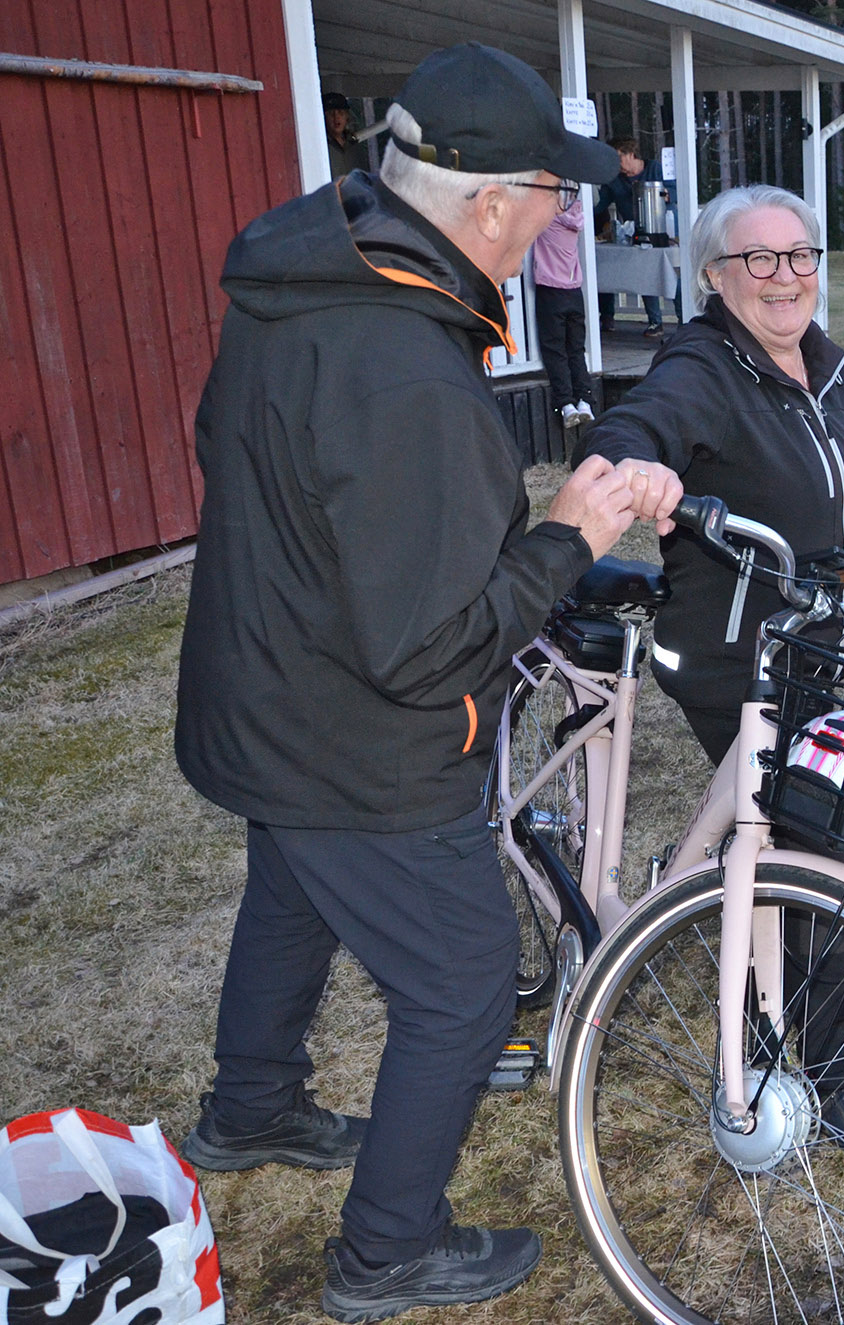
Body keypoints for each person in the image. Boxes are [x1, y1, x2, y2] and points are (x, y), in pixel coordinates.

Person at [174, 43, 677, 1323]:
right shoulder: (405, 365)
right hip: (360, 738)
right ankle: (387, 1250)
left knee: (291, 890)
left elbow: (238, 456)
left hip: (266, 692)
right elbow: (430, 646)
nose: (563, 212)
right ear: (492, 202)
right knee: (459, 981)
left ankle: (251, 1107)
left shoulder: (306, 280)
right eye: (553, 192)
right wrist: (566, 536)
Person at [581, 184, 844, 1145]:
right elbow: (637, 423)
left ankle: (763, 987)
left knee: (804, 837)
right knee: (814, 848)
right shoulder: (704, 364)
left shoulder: (831, 371)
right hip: (736, 655)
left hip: (821, 648)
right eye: (758, 259)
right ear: (716, 277)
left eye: (799, 255)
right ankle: (816, 1061)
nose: (784, 276)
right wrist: (635, 463)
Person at [531, 188, 594, 427]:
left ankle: (566, 404)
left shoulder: (546, 219)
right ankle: (585, 401)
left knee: (554, 349)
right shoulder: (576, 217)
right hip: (574, 291)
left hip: (550, 290)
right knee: (576, 349)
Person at [594, 137, 666, 336]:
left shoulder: (655, 169)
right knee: (640, 274)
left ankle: (684, 321)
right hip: (633, 234)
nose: (617, 165)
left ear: (631, 154)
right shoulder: (614, 179)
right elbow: (599, 204)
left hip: (662, 230)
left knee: (672, 275)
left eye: (618, 158)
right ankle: (653, 322)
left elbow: (674, 192)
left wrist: (665, 195)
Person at [323, 91, 367, 175]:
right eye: (331, 114)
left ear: (347, 116)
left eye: (341, 112)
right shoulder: (322, 147)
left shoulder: (355, 145)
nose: (336, 118)